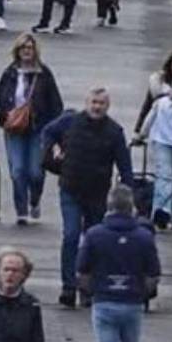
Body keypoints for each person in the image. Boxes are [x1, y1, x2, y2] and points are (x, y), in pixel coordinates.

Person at [76, 185, 160, 342]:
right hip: (132, 304)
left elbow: (81, 272)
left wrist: (94, 292)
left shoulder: (94, 235)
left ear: (108, 206)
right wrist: (140, 294)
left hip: (104, 303)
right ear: (131, 207)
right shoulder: (144, 237)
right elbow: (153, 276)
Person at [41, 87, 135, 307]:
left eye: (101, 103)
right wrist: (52, 149)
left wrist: (129, 198)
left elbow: (125, 166)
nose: (97, 107)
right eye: (94, 102)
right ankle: (68, 286)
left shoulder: (114, 132)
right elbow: (48, 132)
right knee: (71, 235)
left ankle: (88, 286)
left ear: (107, 106)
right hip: (70, 188)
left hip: (98, 193)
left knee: (94, 240)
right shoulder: (70, 122)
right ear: (87, 103)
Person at [0, 34, 64, 225]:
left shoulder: (44, 74)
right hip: (14, 128)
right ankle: (21, 210)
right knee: (18, 170)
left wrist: (56, 136)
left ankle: (35, 200)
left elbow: (56, 105)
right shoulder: (10, 73)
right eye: (23, 48)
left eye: (29, 47)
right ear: (17, 51)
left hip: (39, 129)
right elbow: (0, 95)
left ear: (35, 50)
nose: (26, 51)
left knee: (36, 172)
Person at [133, 49, 172, 229]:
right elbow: (149, 111)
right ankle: (160, 212)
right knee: (165, 177)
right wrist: (140, 133)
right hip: (162, 139)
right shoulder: (158, 87)